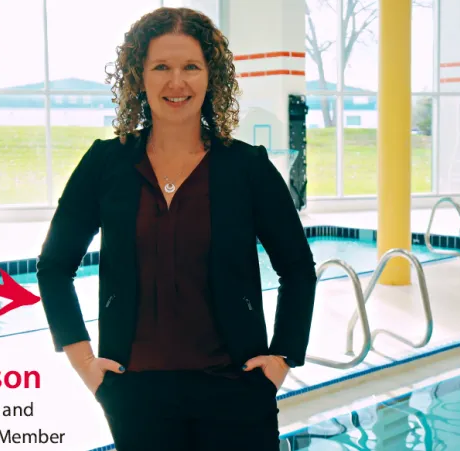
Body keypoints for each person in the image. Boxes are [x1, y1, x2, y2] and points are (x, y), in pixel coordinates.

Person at [36, 6, 317, 450]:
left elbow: (298, 270)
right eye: (161, 67)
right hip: (136, 397)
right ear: (138, 77)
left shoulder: (248, 168)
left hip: (237, 393)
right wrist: (85, 363)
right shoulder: (105, 164)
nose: (176, 83)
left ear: (212, 77)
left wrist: (281, 359)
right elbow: (53, 267)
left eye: (191, 67)